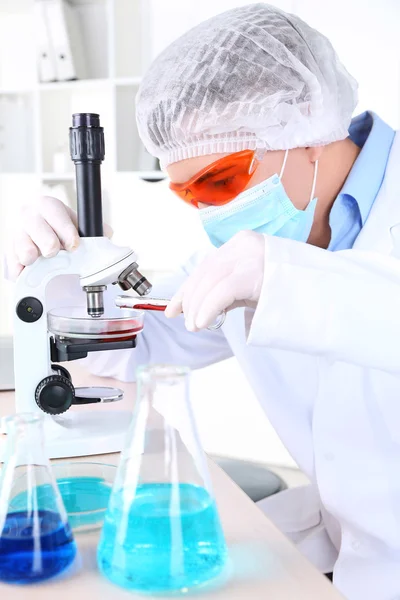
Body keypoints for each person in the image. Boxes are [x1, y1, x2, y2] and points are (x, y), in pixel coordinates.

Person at [5, 4, 400, 598]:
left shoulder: (278, 260)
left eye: (220, 182)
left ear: (305, 131)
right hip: (343, 552)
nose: (212, 212)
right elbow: (139, 346)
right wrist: (64, 279)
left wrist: (296, 282)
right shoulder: (260, 250)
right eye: (190, 194)